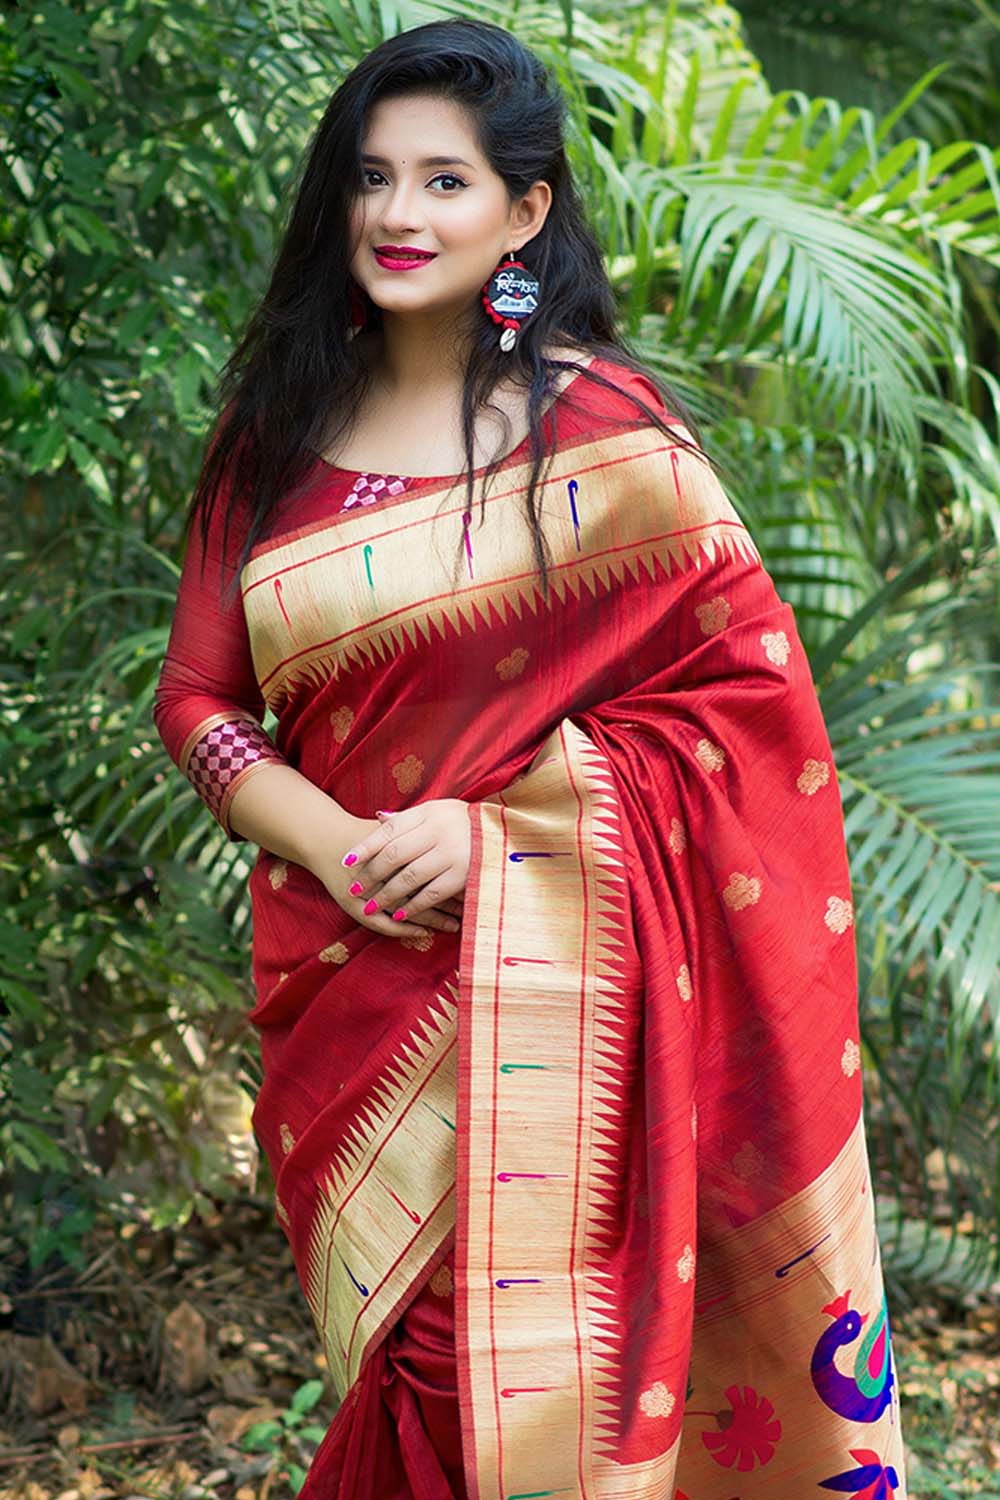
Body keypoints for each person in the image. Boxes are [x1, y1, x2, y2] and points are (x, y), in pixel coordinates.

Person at [152, 18, 907, 1500]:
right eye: (373, 177)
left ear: (527, 210)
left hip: (562, 995)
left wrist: (500, 833)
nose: (396, 215)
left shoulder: (611, 439)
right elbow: (199, 700)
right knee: (405, 1369)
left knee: (491, 1386)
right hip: (352, 994)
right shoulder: (276, 432)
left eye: (445, 181)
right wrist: (334, 845)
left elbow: (749, 719)